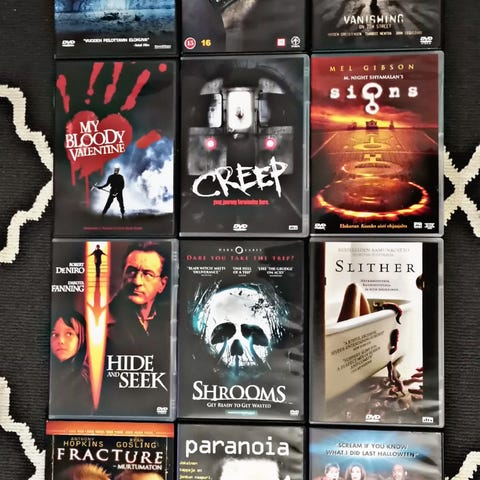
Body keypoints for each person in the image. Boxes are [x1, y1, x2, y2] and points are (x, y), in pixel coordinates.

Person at [99, 241, 171, 416]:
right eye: (131, 271)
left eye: (147, 274)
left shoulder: (171, 324)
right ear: (122, 274)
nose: (137, 281)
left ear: (162, 284)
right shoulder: (100, 325)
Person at [50, 310, 92, 415]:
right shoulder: (53, 373)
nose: (61, 341)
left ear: (81, 338)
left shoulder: (82, 380)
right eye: (55, 334)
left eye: (69, 334)